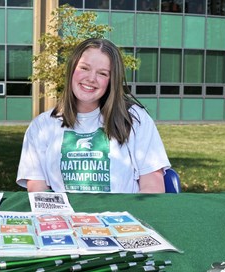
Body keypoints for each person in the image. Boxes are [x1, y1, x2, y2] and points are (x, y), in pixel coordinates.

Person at [16, 38, 170, 194]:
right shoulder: (42, 126)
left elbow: (153, 188)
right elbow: (38, 191)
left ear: (111, 81)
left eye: (102, 73)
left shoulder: (135, 119)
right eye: (84, 68)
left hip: (123, 217)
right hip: (64, 217)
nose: (91, 78)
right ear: (71, 70)